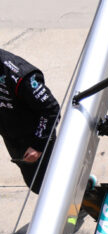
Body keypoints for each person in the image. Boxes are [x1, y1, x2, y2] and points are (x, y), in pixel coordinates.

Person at [0, 49, 60, 194]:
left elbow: (51, 109)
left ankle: (76, 206)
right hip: (11, 134)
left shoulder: (18, 73)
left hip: (35, 135)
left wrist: (38, 145)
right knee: (35, 183)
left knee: (46, 185)